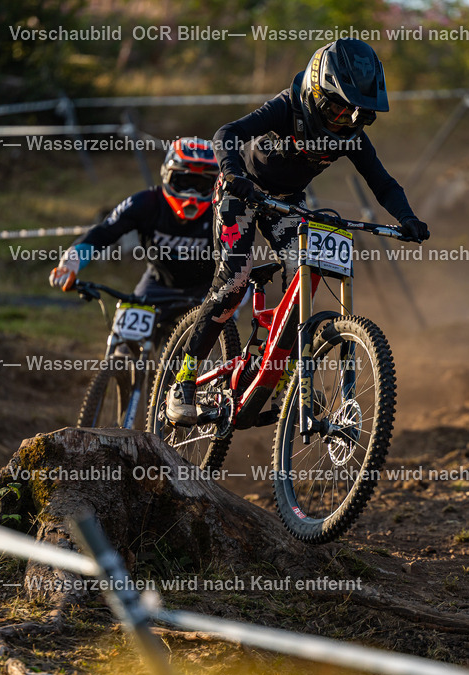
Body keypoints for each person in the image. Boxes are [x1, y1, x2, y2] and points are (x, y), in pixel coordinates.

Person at [165, 39, 428, 426]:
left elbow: (383, 183)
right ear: (316, 94)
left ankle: (285, 374)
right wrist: (234, 174)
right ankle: (183, 383)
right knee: (234, 282)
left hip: (286, 202)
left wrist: (407, 218)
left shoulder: (350, 132)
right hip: (242, 192)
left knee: (303, 281)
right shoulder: (285, 107)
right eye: (337, 108)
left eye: (356, 114)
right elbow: (227, 134)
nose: (344, 120)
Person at [49, 137, 220, 324]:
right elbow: (104, 232)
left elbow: (243, 253)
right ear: (166, 176)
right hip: (157, 283)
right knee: (124, 342)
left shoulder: (222, 210)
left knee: (216, 342)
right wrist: (70, 262)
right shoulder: (146, 203)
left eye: (202, 184)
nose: (192, 193)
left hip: (208, 289)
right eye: (184, 181)